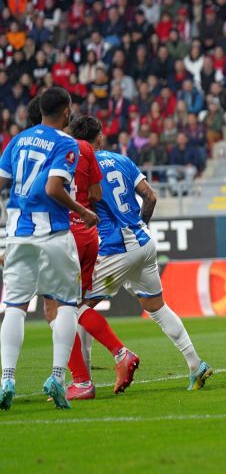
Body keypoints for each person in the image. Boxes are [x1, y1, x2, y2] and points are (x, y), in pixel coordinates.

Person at [85, 137, 213, 390]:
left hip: (116, 247)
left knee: (76, 307)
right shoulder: (123, 160)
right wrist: (140, 225)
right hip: (144, 242)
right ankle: (195, 364)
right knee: (156, 306)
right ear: (99, 137)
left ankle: (83, 380)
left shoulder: (84, 164)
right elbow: (150, 197)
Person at [0, 87, 97, 411]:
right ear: (66, 111)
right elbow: (53, 187)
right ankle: (57, 377)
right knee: (66, 304)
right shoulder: (66, 143)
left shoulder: (17, 140)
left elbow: (2, 182)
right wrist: (82, 211)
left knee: (14, 306)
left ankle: (7, 379)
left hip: (18, 234)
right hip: (53, 234)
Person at [62, 115, 140, 399]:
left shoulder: (55, 148)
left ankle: (82, 380)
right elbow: (96, 192)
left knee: (58, 309)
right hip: (89, 234)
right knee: (73, 305)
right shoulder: (88, 152)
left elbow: (46, 192)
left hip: (62, 234)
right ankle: (80, 377)